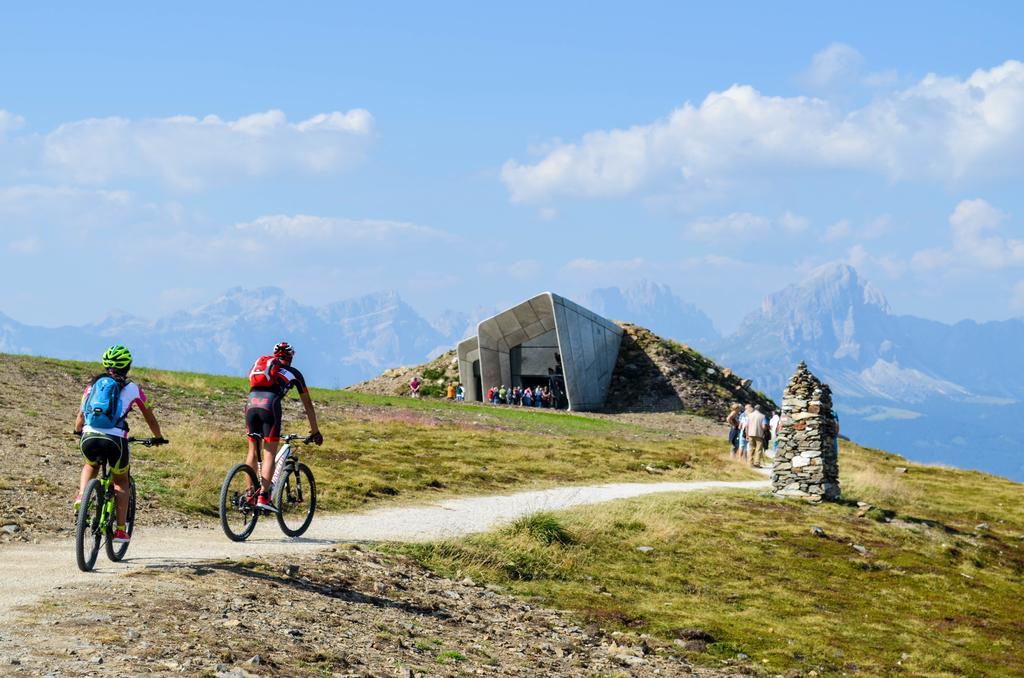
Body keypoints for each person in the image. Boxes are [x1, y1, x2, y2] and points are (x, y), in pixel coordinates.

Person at [73, 345, 166, 545]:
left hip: (89, 436)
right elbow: (149, 415)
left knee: (91, 465)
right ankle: (121, 530)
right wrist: (157, 437)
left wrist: (78, 430)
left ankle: (82, 497)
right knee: (121, 481)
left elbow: (81, 414)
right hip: (115, 440)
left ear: (106, 365)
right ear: (128, 366)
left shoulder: (92, 385)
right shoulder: (133, 389)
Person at [245, 342, 323, 511]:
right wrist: (315, 431)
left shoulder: (262, 367)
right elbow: (308, 405)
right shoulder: (294, 373)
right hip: (270, 405)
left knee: (252, 451)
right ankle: (264, 497)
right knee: (269, 453)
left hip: (251, 403)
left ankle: (249, 494)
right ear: (291, 358)